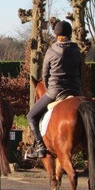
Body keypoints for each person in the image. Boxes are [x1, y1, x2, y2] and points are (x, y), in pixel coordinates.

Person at [25, 20, 83, 159]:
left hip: (55, 91)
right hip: (75, 91)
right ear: (70, 34)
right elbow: (81, 73)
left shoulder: (51, 51)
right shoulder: (77, 52)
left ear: (56, 35)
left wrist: (50, 88)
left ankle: (40, 147)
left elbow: (45, 75)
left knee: (31, 117)